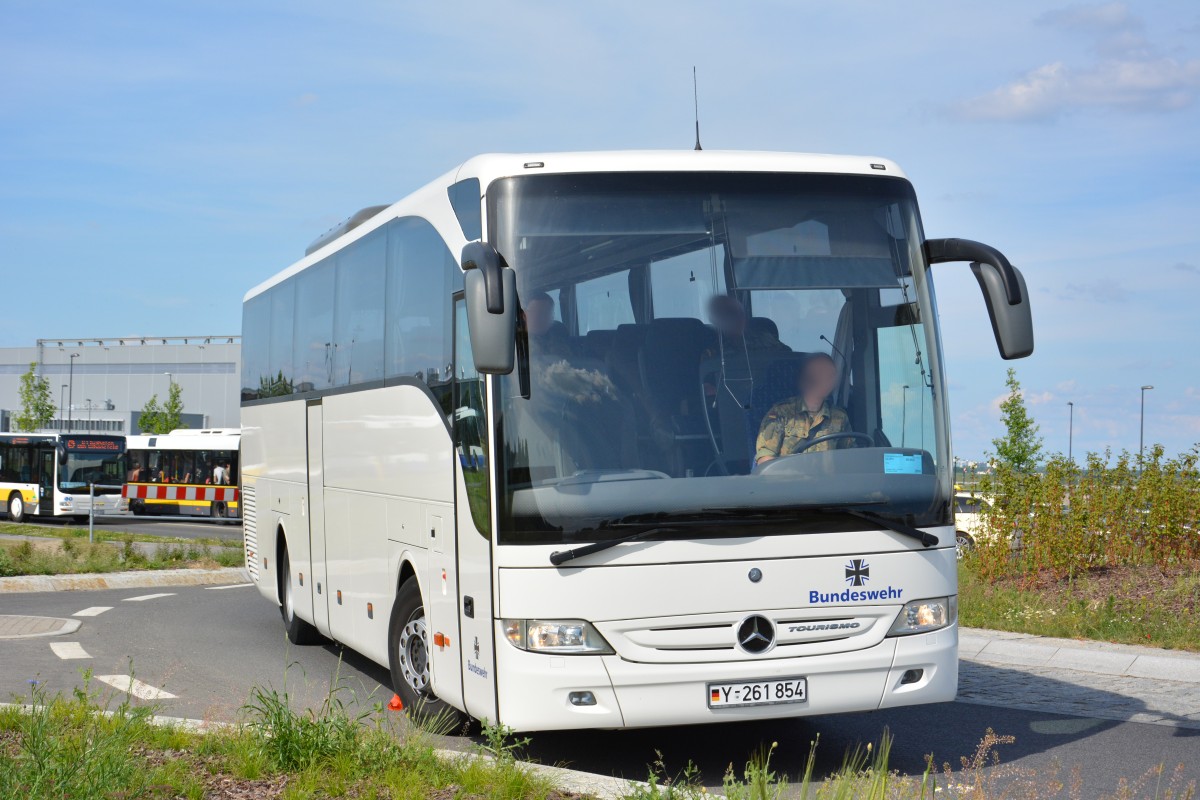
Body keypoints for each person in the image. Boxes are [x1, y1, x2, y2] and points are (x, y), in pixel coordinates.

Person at [755, 353, 853, 464]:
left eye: (830, 375)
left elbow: (851, 458)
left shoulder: (839, 417)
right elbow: (765, 461)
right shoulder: (781, 413)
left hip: (829, 481)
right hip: (790, 480)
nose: (826, 379)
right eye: (821, 373)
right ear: (807, 376)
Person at [523, 291, 572, 359]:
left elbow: (569, 364)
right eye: (535, 312)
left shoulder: (560, 342)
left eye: (545, 313)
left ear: (552, 317)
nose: (540, 318)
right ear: (524, 315)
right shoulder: (515, 342)